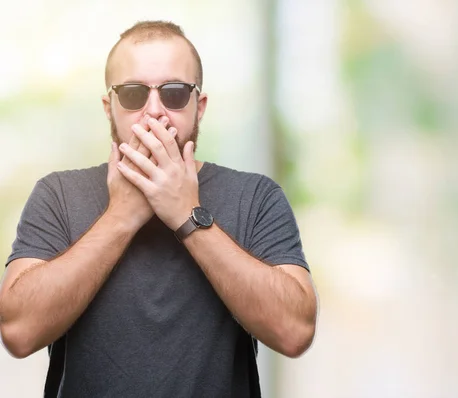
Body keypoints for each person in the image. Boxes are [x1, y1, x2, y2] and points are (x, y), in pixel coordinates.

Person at [0, 20, 318, 397]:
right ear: (109, 107)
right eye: (133, 94)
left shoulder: (255, 196)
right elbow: (18, 333)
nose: (154, 111)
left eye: (174, 93)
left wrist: (187, 214)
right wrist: (121, 216)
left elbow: (295, 332)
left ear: (199, 107)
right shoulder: (58, 194)